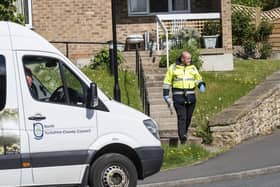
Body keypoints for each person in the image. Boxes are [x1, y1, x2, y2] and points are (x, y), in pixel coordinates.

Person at [163, 51, 206, 144]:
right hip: (178, 97)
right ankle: (182, 136)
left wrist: (201, 85)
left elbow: (198, 79)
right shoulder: (173, 68)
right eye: (188, 58)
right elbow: (167, 81)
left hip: (191, 97)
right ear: (182, 59)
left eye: (190, 58)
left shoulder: (193, 68)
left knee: (188, 118)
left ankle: (184, 133)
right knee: (182, 117)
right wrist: (166, 94)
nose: (190, 60)